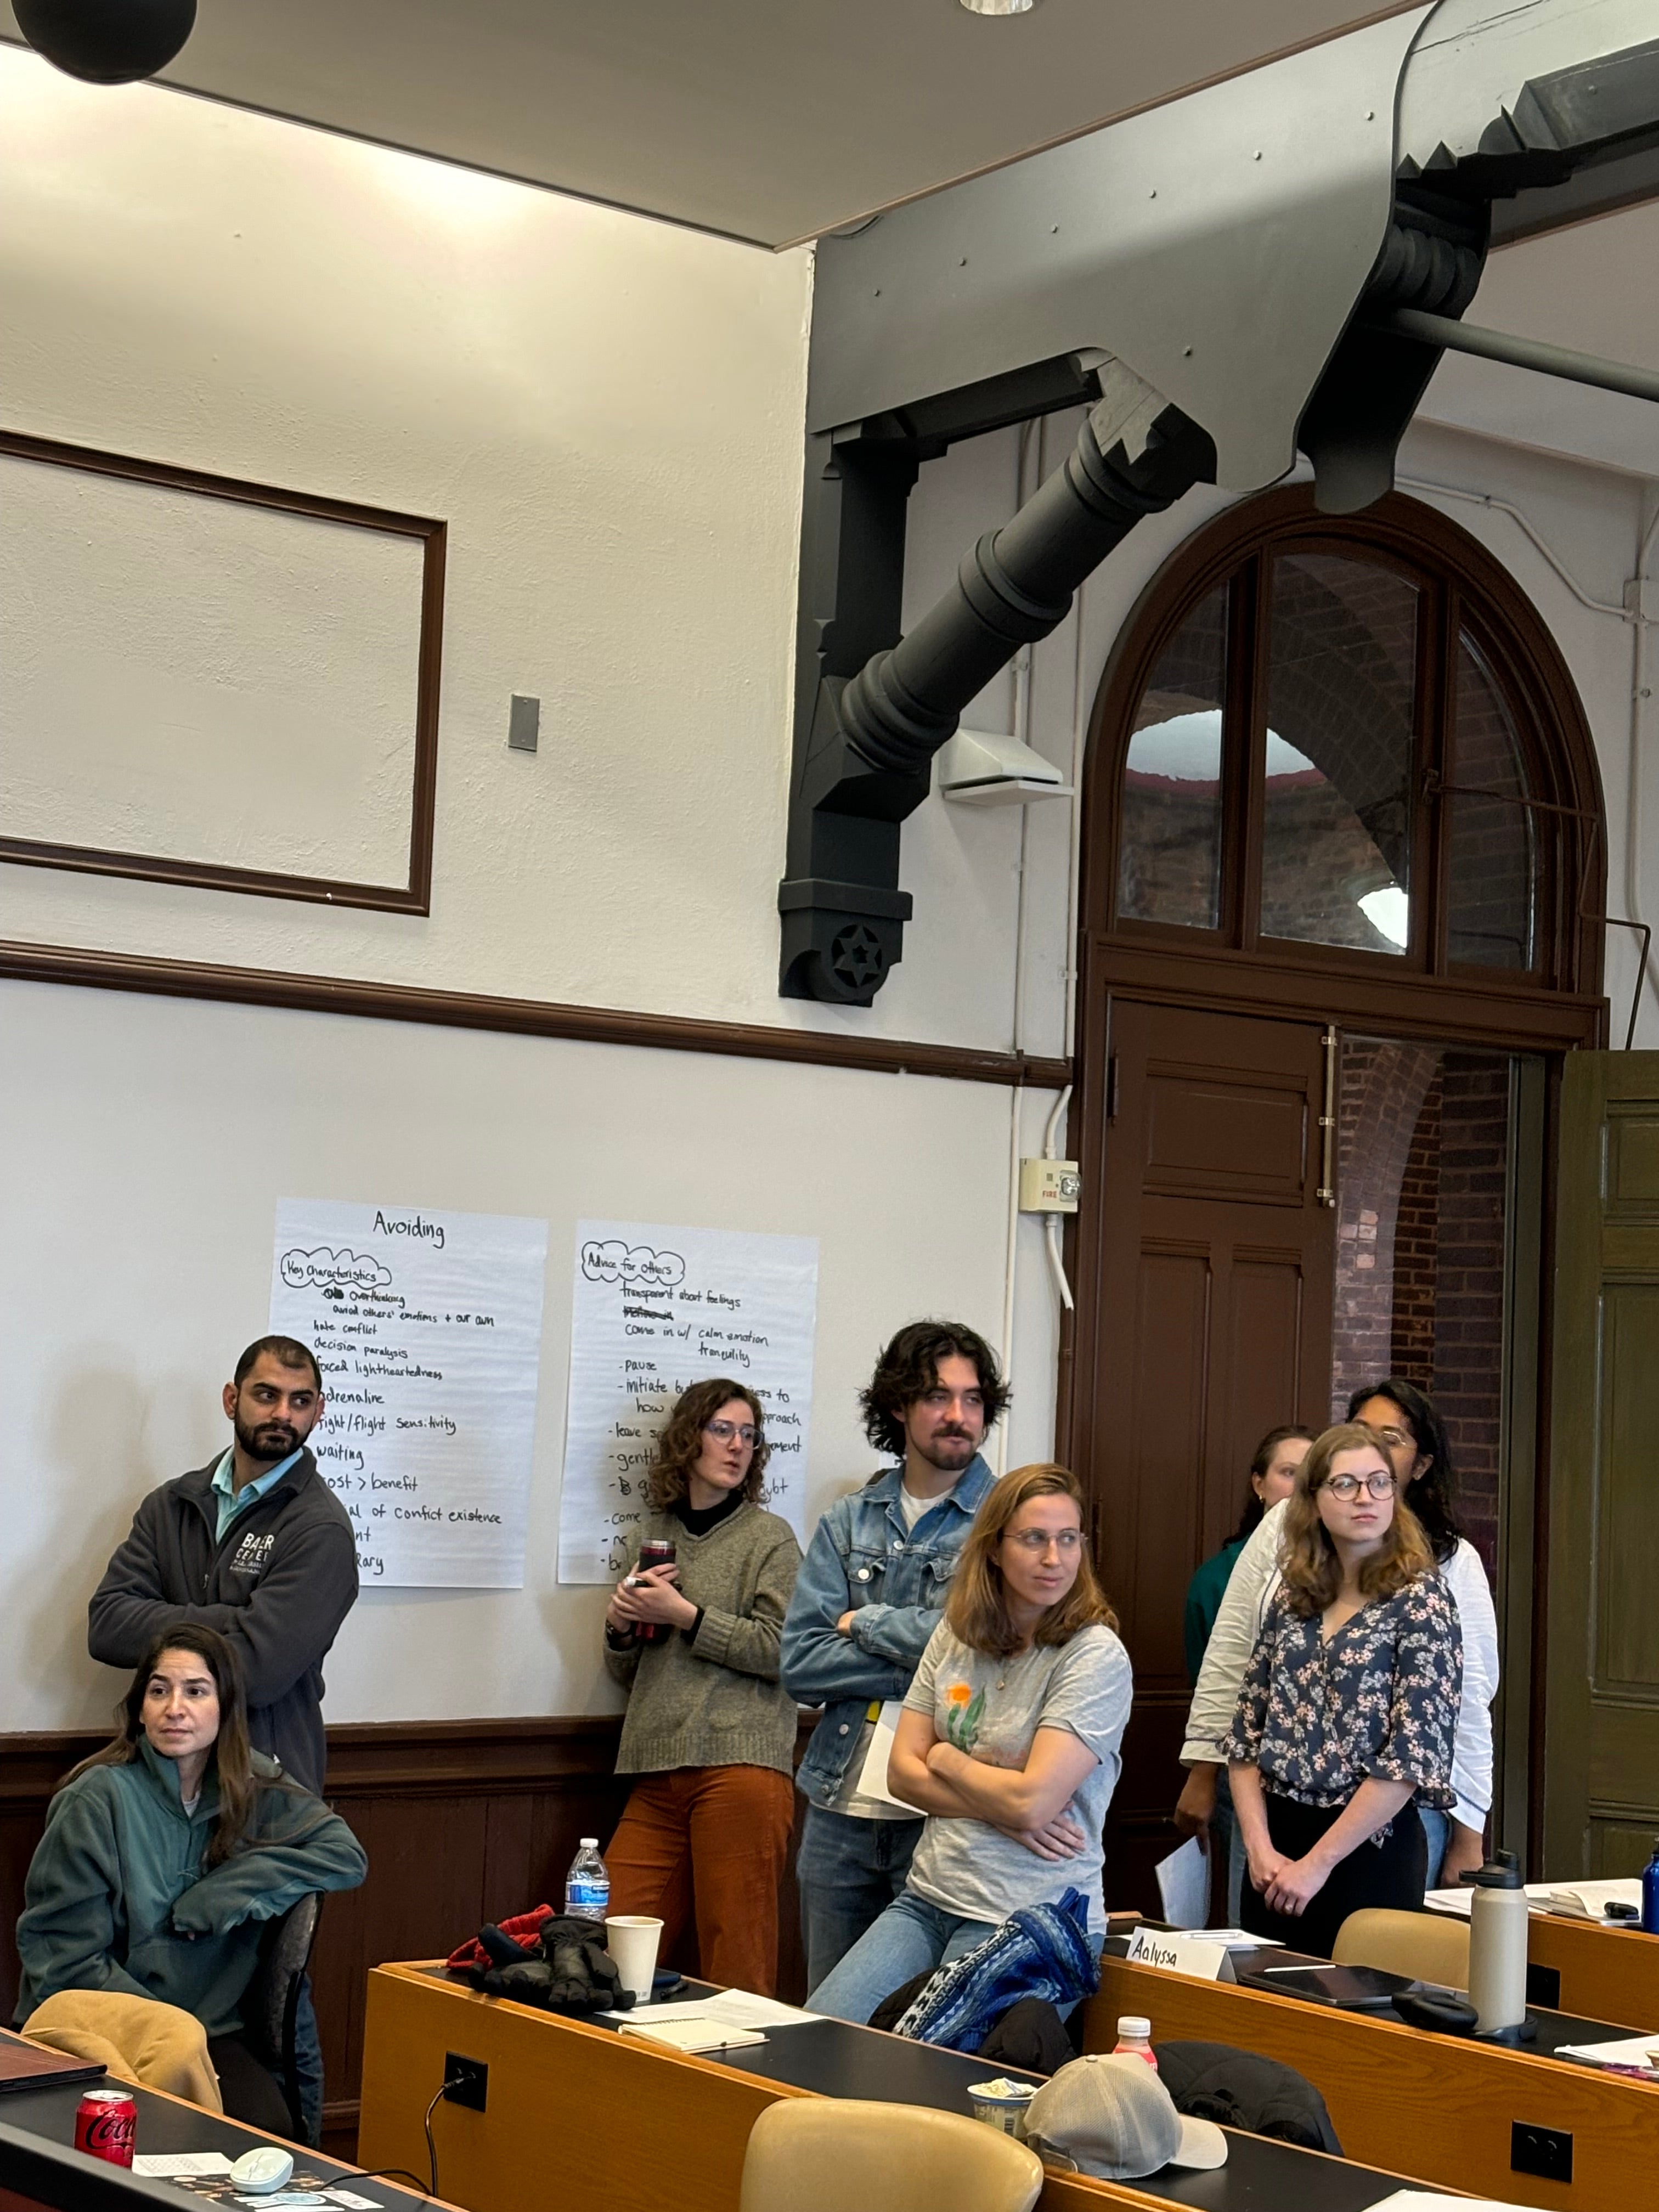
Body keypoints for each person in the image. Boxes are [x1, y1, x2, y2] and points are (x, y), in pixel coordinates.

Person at [808, 1463, 1132, 2024]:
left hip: (1034, 1917)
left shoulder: (1094, 1656)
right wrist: (1003, 1811)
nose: (1054, 1559)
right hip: (929, 1897)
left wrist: (944, 1757)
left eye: (1068, 1539)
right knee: (817, 2039)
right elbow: (900, 1775)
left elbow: (1030, 1802)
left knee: (933, 2076)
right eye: (1034, 1539)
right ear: (995, 1549)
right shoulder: (955, 1634)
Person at [15, 1626, 366, 2131]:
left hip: (214, 2032)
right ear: (140, 1709)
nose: (174, 1707)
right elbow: (65, 1963)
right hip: (105, 2025)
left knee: (266, 2137)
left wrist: (229, 1891)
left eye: (195, 1691)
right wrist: (164, 2029)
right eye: (159, 1691)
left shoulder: (256, 1788)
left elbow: (344, 1854)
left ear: (224, 1707)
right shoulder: (95, 1800)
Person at [1179, 1378, 1498, 1888]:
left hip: (1387, 1823)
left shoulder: (1449, 1564)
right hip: (1272, 1810)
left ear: (1419, 1466)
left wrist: (1470, 1832)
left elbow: (1467, 1703)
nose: (1371, 1446)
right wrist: (1203, 1766)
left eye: (1392, 1439)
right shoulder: (1289, 1542)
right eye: (1360, 1430)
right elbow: (1234, 1652)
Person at [780, 1321, 1006, 1993]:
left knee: (920, 2023)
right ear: (899, 1406)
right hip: (838, 1804)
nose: (959, 1416)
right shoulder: (849, 1520)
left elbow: (990, 1650)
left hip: (944, 1808)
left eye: (973, 1400)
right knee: (827, 2013)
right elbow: (800, 1662)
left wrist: (865, 1622)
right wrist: (934, 1654)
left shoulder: (1005, 1519)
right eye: (939, 1397)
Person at [1223, 1423, 1462, 1957]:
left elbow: (1411, 1757)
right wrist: (1259, 1850)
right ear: (1313, 1498)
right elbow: (1243, 1737)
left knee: (1355, 2024)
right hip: (1276, 1845)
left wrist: (1318, 1864)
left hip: (1367, 1850)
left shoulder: (1421, 1600)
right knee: (1261, 2020)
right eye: (1346, 1484)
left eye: (1380, 1483)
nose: (1366, 1498)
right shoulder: (1293, 1594)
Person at [88, 1337, 358, 1797]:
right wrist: (231, 1620)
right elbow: (108, 1625)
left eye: (301, 1401)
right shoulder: (171, 1505)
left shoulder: (321, 1530)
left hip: (265, 1782)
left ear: (319, 1411)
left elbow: (259, 1672)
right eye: (267, 1395)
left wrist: (169, 1623)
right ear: (233, 1400)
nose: (283, 1415)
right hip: (159, 1777)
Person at [602, 1378, 803, 1996]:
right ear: (689, 1439)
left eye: (749, 1435)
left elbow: (784, 1652)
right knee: (605, 1950)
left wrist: (687, 1616)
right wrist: (619, 1629)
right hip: (657, 1767)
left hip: (740, 1770)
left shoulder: (770, 1538)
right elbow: (635, 1672)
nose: (737, 1446)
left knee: (736, 1965)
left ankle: (746, 2093)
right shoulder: (654, 1535)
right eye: (723, 1430)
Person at [1175, 1426, 1313, 1925]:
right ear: (1258, 1483)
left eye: (1311, 1475)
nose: (1300, 1488)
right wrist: (1203, 1772)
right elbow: (1218, 1678)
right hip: (1244, 1763)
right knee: (1247, 1910)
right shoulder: (1221, 1576)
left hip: (1314, 1783)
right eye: (1287, 1473)